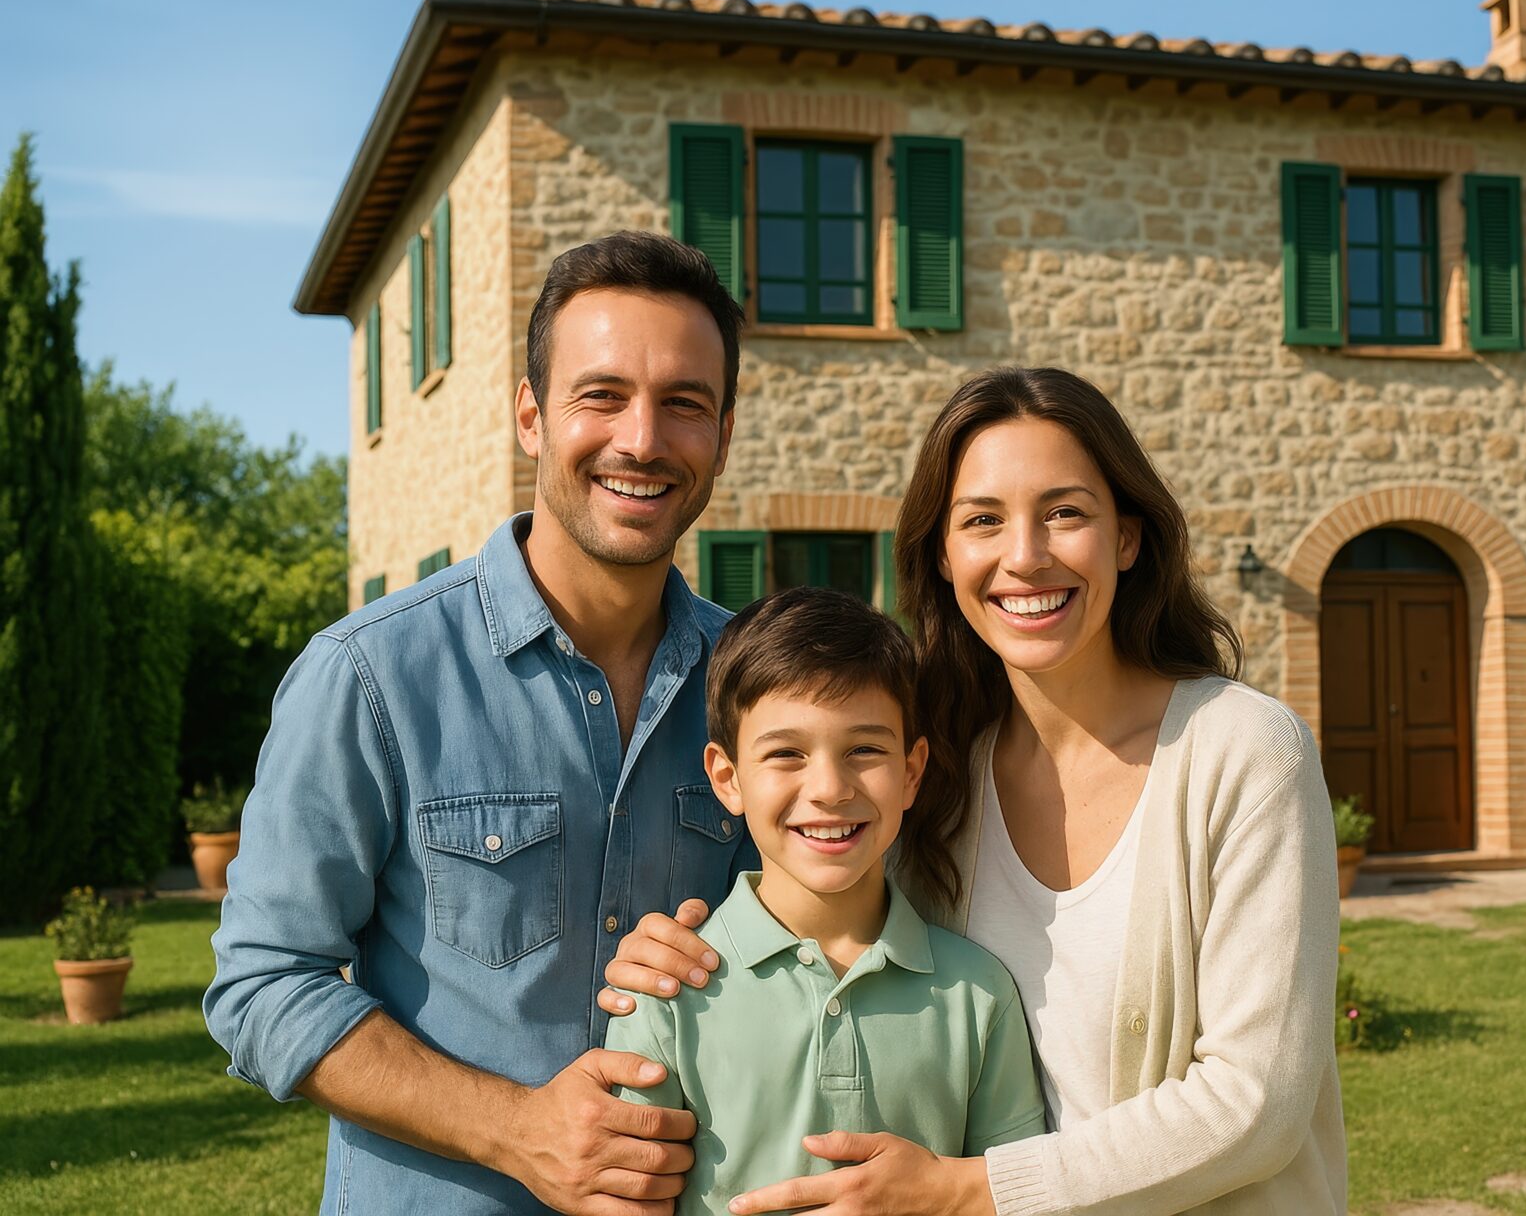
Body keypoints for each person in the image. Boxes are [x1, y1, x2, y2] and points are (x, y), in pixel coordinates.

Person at [604, 367, 1346, 1215]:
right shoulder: (944, 767)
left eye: (1064, 513)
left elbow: (1258, 1103)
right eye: (984, 521)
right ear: (946, 556)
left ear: (1128, 539)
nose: (1024, 555)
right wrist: (677, 952)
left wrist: (970, 1191)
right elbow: (813, 877)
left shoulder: (1243, 753)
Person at [205, 232, 749, 1214]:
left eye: (684, 403)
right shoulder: (370, 675)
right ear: (531, 416)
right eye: (601, 394)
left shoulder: (759, 687)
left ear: (723, 431)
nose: (641, 437)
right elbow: (261, 984)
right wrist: (518, 1129)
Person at [605, 586, 1047, 1213]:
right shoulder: (665, 996)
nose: (829, 789)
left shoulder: (979, 996)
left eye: (864, 750)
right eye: (786, 754)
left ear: (912, 773)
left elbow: (1008, 1196)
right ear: (727, 778)